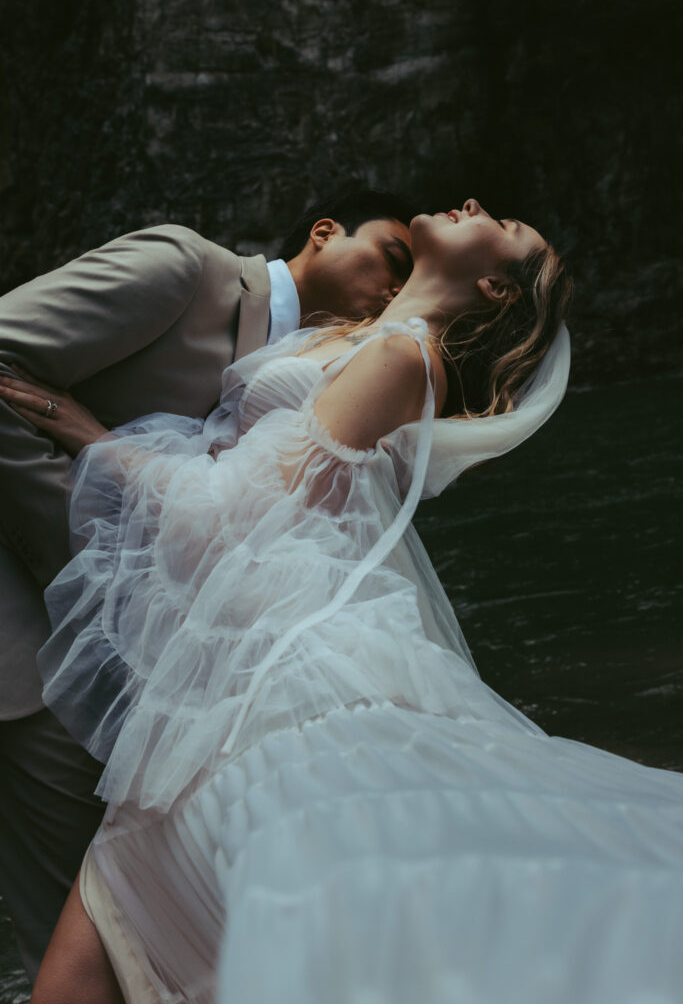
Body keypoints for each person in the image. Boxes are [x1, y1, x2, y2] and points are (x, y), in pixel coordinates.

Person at [2, 198, 682, 1004]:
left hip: (277, 678)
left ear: (497, 288)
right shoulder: (346, 339)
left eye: (501, 225)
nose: (473, 204)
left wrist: (79, 427)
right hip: (223, 664)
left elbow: (227, 514)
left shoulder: (402, 357)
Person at [0, 187, 413, 981]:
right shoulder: (184, 269)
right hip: (36, 649)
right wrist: (96, 561)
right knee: (82, 944)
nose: (396, 292)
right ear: (323, 233)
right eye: (391, 258)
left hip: (168, 689)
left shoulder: (326, 371)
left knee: (148, 939)